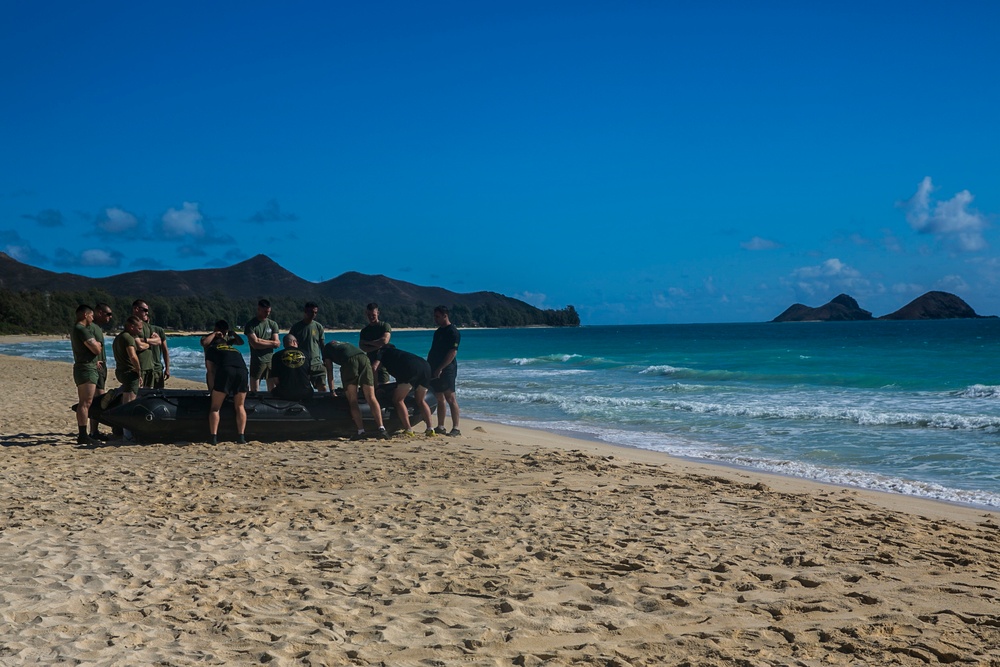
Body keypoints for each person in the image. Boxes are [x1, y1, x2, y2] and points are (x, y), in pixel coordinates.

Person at [322, 340, 387, 440]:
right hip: (364, 358)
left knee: (353, 400)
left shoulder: (326, 350)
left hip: (349, 361)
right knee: (371, 397)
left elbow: (329, 370)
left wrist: (332, 391)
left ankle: (361, 431)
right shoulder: (345, 344)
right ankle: (381, 428)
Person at [204, 320, 249, 445]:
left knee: (215, 407)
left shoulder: (212, 349)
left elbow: (211, 371)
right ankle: (241, 437)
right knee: (240, 406)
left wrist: (213, 390)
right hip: (242, 370)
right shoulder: (232, 349)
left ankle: (213, 437)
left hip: (226, 370)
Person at [375, 344, 435, 436]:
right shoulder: (399, 354)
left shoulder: (382, 352)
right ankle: (430, 429)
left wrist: (375, 386)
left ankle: (408, 429)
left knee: (398, 400)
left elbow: (374, 367)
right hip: (425, 367)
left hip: (411, 369)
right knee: (421, 400)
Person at [71, 305, 103, 447]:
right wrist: (99, 345)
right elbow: (96, 349)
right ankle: (83, 435)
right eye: (91, 315)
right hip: (86, 368)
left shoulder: (76, 329)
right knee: (86, 402)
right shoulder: (81, 329)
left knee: (85, 402)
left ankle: (83, 434)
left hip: (84, 366)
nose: (93, 318)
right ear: (85, 315)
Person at [113, 315, 147, 443]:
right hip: (129, 372)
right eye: (138, 328)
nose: (140, 331)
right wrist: (139, 372)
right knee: (129, 404)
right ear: (131, 326)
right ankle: (127, 434)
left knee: (126, 401)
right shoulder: (128, 338)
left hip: (121, 371)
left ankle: (125, 432)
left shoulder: (119, 337)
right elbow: (133, 356)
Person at [428, 305, 461, 436]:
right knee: (439, 397)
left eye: (437, 316)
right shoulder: (438, 332)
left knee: (450, 397)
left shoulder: (453, 332)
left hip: (447, 369)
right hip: (434, 367)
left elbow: (452, 352)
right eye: (434, 316)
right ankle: (440, 426)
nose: (435, 319)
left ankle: (456, 428)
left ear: (445, 316)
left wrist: (441, 368)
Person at [288, 302, 327, 391]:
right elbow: (290, 346)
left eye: (315, 312)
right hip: (301, 363)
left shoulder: (318, 327)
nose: (313, 314)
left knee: (322, 387)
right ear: (305, 311)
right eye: (311, 312)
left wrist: (325, 359)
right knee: (302, 389)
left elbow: (322, 345)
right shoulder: (296, 327)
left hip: (316, 363)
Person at [244, 299, 280, 391]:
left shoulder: (273, 324)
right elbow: (255, 344)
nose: (267, 314)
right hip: (257, 360)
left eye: (268, 312)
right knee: (255, 389)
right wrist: (270, 343)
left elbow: (277, 343)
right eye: (265, 311)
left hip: (270, 360)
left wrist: (260, 340)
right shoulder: (251, 325)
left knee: (272, 389)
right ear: (259, 309)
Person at [271, 334, 314, 401]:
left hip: (285, 393)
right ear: (294, 342)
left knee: (273, 391)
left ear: (284, 344)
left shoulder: (276, 355)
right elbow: (308, 376)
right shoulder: (306, 354)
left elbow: (276, 380)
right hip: (305, 393)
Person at [131, 299, 162, 388]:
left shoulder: (147, 326)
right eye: (145, 310)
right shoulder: (131, 325)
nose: (147, 313)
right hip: (138, 366)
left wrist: (144, 340)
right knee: (136, 393)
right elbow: (138, 346)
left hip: (150, 366)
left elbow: (158, 341)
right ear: (136, 309)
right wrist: (150, 342)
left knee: (148, 393)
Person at [359, 302, 392, 385]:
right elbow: (362, 347)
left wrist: (368, 343)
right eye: (369, 315)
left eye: (373, 315)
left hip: (383, 363)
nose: (371, 317)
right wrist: (379, 346)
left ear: (378, 313)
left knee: (384, 384)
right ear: (366, 314)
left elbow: (384, 341)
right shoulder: (364, 331)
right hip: (369, 362)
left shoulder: (384, 326)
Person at [150, 320, 170, 389]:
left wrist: (167, 368)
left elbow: (165, 350)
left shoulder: (159, 330)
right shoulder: (138, 331)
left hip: (157, 368)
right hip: (146, 368)